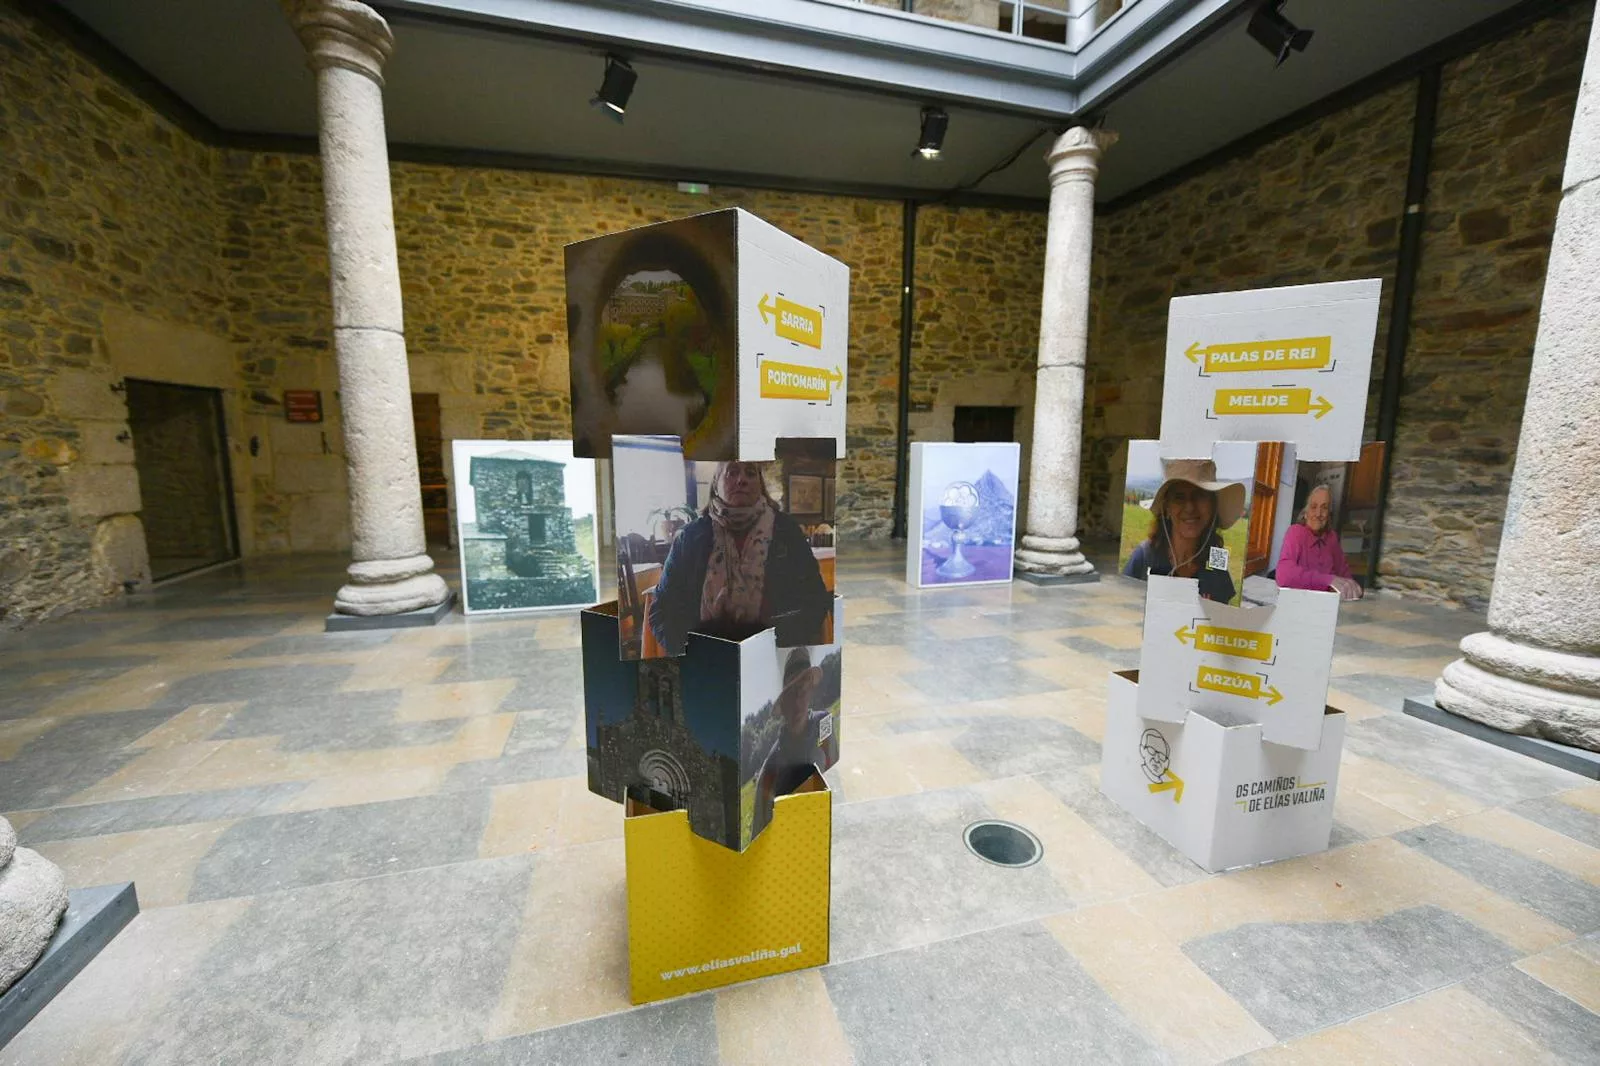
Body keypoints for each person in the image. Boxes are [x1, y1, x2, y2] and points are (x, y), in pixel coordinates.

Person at [648, 460, 832, 656]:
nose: (742, 480)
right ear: (716, 485)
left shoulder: (787, 531)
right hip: (706, 655)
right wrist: (690, 649)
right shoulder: (690, 537)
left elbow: (814, 599)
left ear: (760, 485)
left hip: (771, 651)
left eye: (751, 473)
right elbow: (662, 609)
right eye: (732, 473)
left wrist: (780, 644)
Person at [1121, 458, 1243, 603]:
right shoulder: (1144, 557)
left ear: (1212, 506)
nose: (1190, 507)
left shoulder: (1216, 562)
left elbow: (1220, 620)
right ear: (1167, 508)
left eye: (1199, 495)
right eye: (1179, 497)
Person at [751, 647, 832, 835]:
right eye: (791, 693)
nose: (797, 702)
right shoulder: (769, 773)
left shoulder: (825, 723)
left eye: (802, 691)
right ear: (782, 703)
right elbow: (760, 834)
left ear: (811, 693)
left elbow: (831, 765)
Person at [1277, 484, 1363, 600]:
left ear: (1329, 514)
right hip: (1300, 603)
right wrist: (1329, 580)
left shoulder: (1332, 538)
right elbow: (1284, 575)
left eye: (1324, 507)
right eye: (1313, 507)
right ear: (1306, 513)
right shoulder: (1296, 532)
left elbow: (1345, 576)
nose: (1318, 514)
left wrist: (1353, 587)